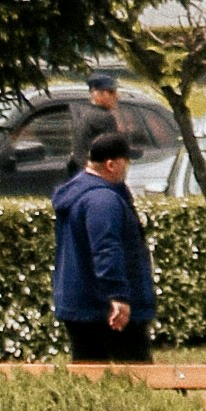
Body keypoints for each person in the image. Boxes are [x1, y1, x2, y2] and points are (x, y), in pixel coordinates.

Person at [53, 116, 158, 368]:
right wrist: (118, 296)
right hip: (105, 310)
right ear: (111, 164)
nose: (127, 168)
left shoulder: (78, 192)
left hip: (79, 305)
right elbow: (106, 249)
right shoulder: (103, 200)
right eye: (125, 162)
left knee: (88, 379)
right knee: (137, 378)